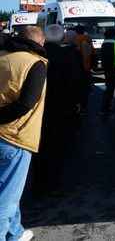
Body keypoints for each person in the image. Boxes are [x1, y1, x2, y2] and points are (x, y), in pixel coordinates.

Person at [0, 26, 48, 241]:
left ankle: (15, 232)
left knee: (10, 189)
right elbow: (26, 103)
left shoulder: (3, 56)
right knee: (6, 199)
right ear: (40, 43)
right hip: (15, 137)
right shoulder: (35, 63)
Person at [31, 25, 82, 196]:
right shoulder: (68, 55)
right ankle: (54, 183)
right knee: (58, 145)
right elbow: (76, 82)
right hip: (62, 106)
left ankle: (38, 182)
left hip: (37, 108)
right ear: (62, 38)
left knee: (39, 146)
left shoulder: (35, 54)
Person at [99, 27, 115, 115]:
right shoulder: (114, 44)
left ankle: (104, 108)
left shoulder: (104, 44)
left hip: (107, 69)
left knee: (109, 89)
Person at [73, 25, 94, 113]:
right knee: (85, 89)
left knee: (78, 89)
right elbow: (93, 53)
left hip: (78, 68)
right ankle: (84, 106)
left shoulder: (75, 40)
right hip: (87, 67)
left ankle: (78, 107)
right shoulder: (89, 39)